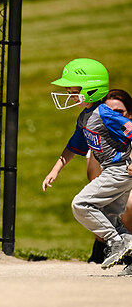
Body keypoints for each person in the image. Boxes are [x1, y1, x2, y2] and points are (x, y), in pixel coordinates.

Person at [42, 58, 132, 275]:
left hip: (119, 169)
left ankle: (115, 242)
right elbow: (73, 146)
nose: (70, 95)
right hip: (113, 171)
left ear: (91, 90)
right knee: (110, 216)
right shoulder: (85, 117)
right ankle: (130, 252)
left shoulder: (104, 113)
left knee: (81, 204)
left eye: (74, 90)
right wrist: (55, 170)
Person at [87, 89, 132, 264]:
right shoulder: (101, 139)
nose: (113, 116)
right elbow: (94, 178)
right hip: (117, 190)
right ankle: (105, 247)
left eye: (119, 112)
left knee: (129, 201)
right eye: (108, 112)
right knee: (94, 201)